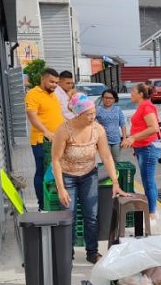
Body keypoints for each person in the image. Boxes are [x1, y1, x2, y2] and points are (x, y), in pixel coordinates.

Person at [52, 93, 128, 264]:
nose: (93, 117)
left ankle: (92, 252)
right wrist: (61, 188)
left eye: (94, 113)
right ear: (78, 114)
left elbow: (107, 157)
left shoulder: (97, 129)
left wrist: (115, 182)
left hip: (89, 175)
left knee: (91, 216)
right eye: (89, 114)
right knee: (68, 216)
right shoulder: (64, 130)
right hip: (67, 177)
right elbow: (55, 160)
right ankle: (67, 253)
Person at [25, 67, 63, 211]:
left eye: (56, 83)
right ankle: (42, 205)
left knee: (56, 171)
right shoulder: (33, 94)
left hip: (57, 140)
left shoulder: (53, 95)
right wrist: (46, 131)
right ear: (43, 79)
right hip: (42, 141)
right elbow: (32, 115)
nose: (54, 85)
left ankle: (53, 201)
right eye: (52, 82)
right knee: (42, 171)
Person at [121, 83, 160, 221]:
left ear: (141, 94)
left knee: (148, 181)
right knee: (148, 181)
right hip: (142, 148)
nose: (131, 93)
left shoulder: (147, 106)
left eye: (133, 91)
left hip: (148, 148)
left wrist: (133, 138)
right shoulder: (142, 106)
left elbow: (154, 128)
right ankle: (152, 209)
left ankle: (152, 213)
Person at [96, 89, 127, 162]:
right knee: (106, 161)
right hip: (103, 140)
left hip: (116, 140)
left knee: (117, 160)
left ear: (114, 99)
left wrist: (125, 138)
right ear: (102, 98)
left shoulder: (117, 109)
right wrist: (97, 125)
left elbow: (122, 124)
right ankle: (106, 173)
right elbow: (90, 121)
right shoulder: (98, 109)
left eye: (110, 98)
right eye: (105, 97)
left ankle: (115, 174)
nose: (107, 100)